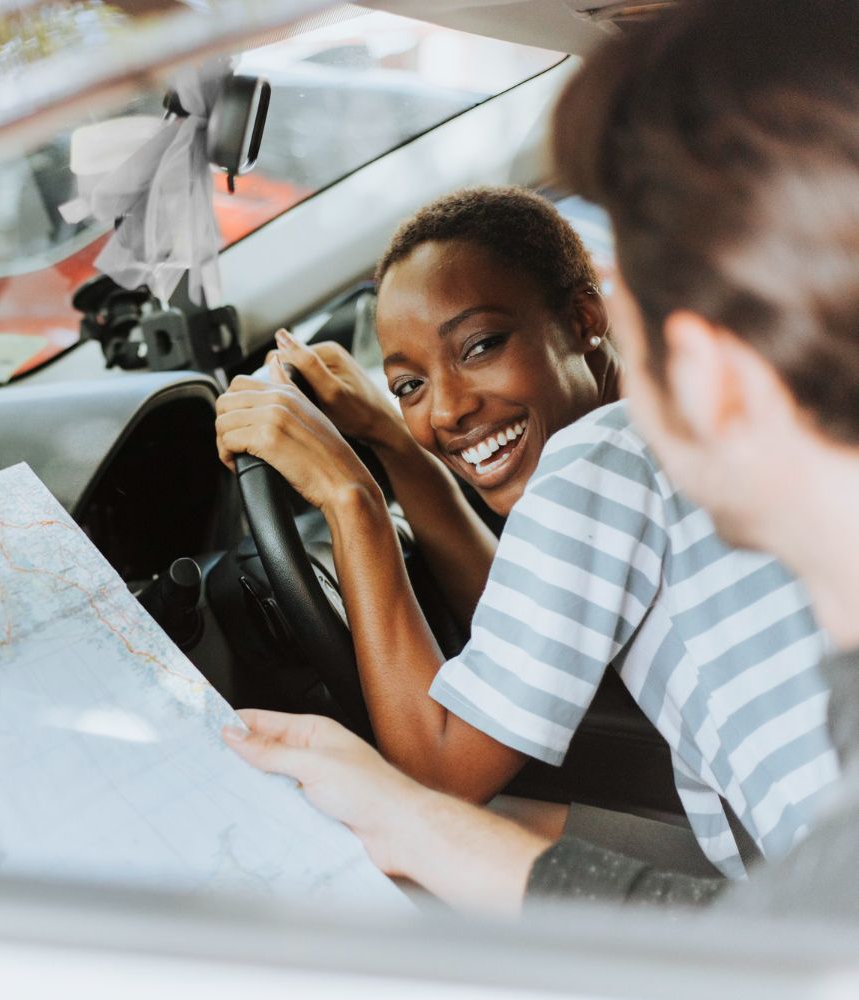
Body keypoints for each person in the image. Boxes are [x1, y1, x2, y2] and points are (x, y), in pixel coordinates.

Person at [222, 0, 859, 919]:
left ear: (592, 318)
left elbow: (438, 770)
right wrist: (402, 457)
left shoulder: (604, 455)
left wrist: (349, 496)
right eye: (407, 385)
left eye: (480, 345)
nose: (446, 407)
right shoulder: (622, 472)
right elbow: (538, 617)